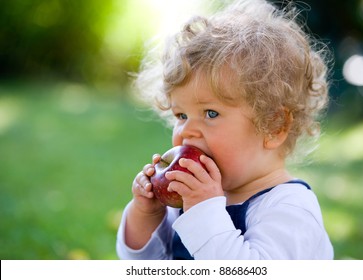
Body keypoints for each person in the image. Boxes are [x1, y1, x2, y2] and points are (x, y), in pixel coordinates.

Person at [116, 0, 333, 260]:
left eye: (211, 113)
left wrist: (204, 211)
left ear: (274, 126)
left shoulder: (289, 209)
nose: (187, 131)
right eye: (181, 115)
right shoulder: (191, 196)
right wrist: (146, 214)